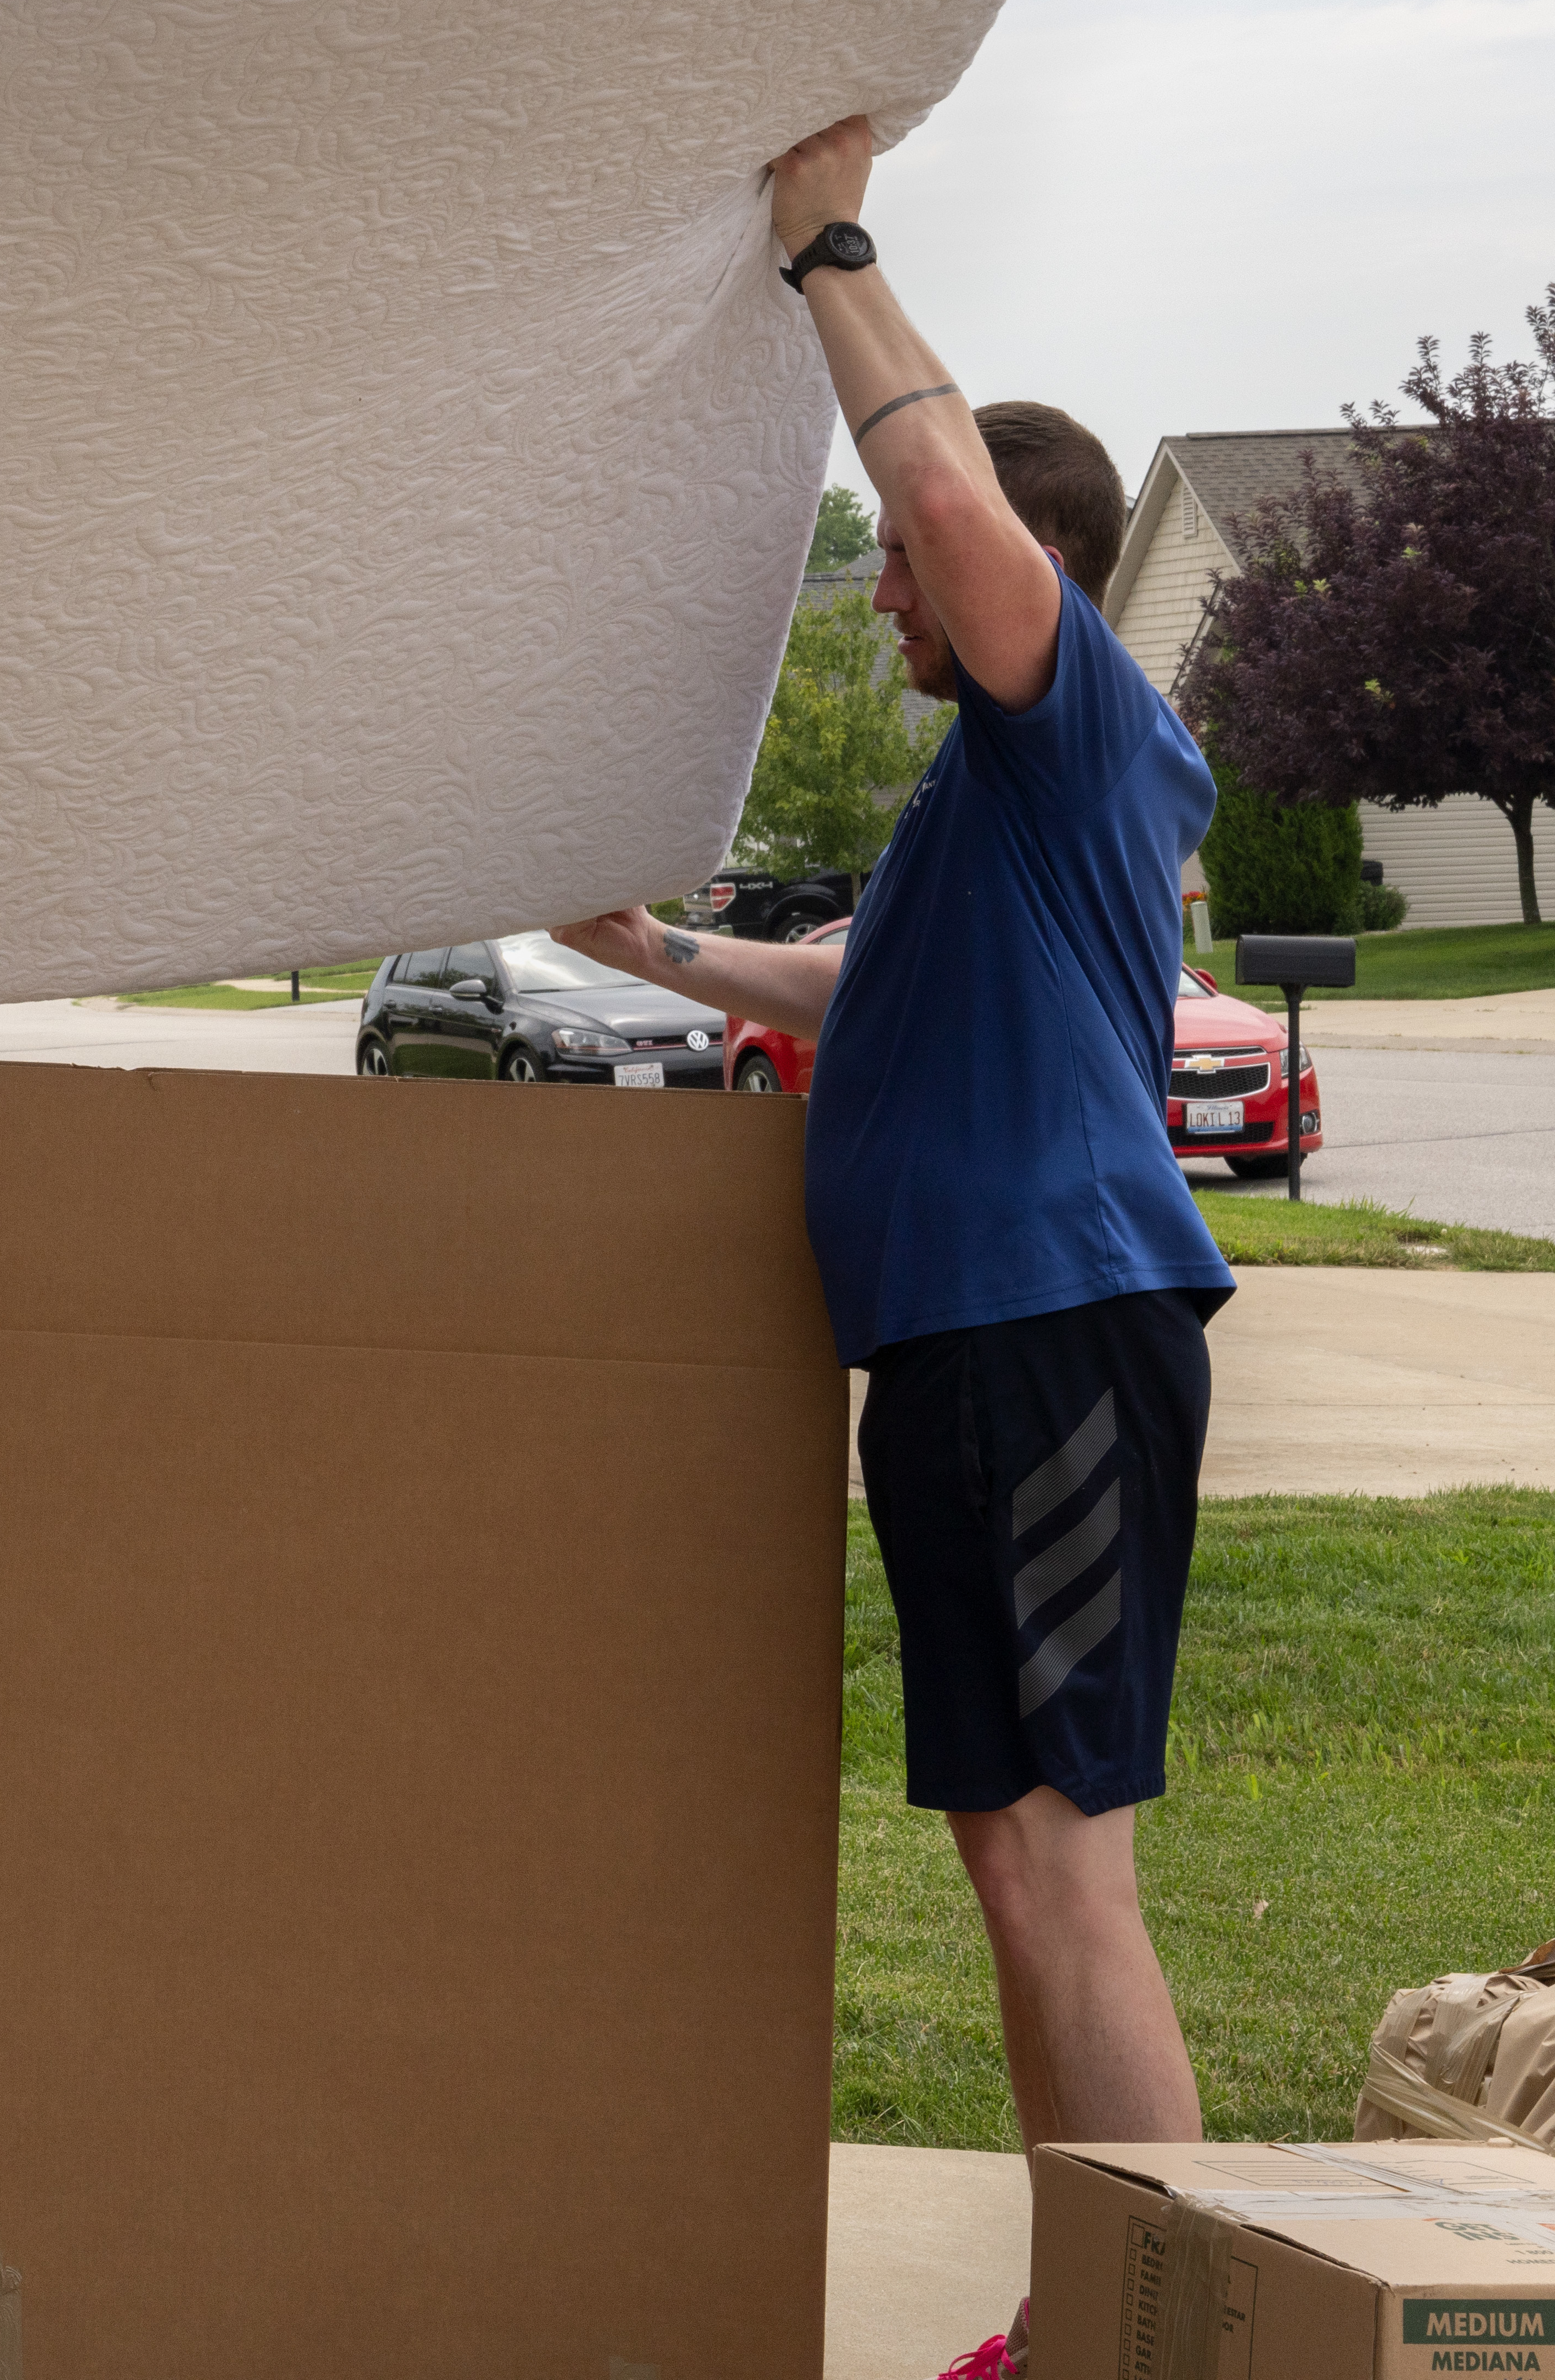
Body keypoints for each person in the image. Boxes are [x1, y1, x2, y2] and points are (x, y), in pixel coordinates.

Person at [558, 117, 1230, 2380]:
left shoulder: (1084, 737)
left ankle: (1171, 2343)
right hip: (962, 1353)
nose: (878, 602)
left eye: (906, 574)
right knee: (1006, 1865)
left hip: (1045, 1335)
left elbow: (944, 497)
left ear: (1012, 569)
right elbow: (856, 991)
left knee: (1064, 1870)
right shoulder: (976, 807)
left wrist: (822, 243)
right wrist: (655, 953)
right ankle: (1081, 2326)